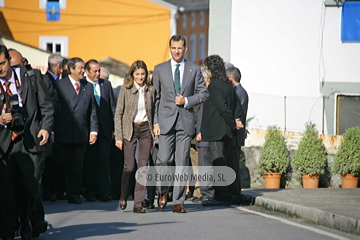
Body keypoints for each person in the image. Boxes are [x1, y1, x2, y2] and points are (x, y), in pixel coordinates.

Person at [0, 45, 54, 240]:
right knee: (6, 190)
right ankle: (8, 230)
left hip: (30, 140)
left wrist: (45, 127)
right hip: (4, 143)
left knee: (29, 187)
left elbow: (46, 106)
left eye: (2, 63)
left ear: (9, 61)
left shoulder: (29, 76)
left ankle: (27, 224)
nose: (0, 68)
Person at [152, 35, 209, 213]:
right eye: (173, 48)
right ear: (170, 48)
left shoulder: (193, 69)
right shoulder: (160, 69)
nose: (176, 51)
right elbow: (156, 99)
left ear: (185, 49)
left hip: (185, 121)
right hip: (165, 121)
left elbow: (204, 94)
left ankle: (177, 202)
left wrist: (186, 100)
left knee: (182, 162)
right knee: (163, 160)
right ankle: (162, 191)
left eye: (180, 48)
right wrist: (155, 122)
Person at [50, 57, 98, 204]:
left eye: (83, 68)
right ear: (71, 69)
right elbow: (52, 109)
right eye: (80, 68)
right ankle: (55, 191)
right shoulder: (59, 85)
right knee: (59, 165)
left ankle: (74, 194)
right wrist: (51, 131)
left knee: (77, 166)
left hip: (80, 133)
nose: (83, 71)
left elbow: (92, 110)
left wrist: (93, 131)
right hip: (63, 132)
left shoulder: (87, 86)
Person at [200, 55, 244, 206]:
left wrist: (233, 123)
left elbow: (222, 108)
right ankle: (225, 195)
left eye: (207, 68)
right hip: (225, 131)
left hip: (217, 130)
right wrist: (236, 121)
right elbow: (237, 106)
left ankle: (222, 196)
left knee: (218, 162)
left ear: (213, 69)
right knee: (223, 161)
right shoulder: (227, 85)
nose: (206, 71)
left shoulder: (214, 86)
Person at [115, 60, 155, 213]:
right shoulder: (126, 89)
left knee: (143, 167)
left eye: (143, 74)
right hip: (129, 130)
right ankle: (124, 195)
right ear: (132, 74)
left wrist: (154, 134)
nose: (140, 77)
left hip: (145, 129)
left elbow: (153, 112)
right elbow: (118, 113)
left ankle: (138, 203)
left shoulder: (151, 90)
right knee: (129, 166)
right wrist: (118, 136)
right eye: (137, 74)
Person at [83, 59, 115, 202]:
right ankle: (90, 191)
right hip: (88, 130)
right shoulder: (83, 85)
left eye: (99, 71)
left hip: (105, 130)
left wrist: (115, 129)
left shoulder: (106, 84)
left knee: (104, 161)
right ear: (87, 72)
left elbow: (112, 108)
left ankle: (104, 192)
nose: (97, 74)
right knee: (90, 161)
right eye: (95, 71)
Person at [226, 66, 249, 204]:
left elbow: (238, 114)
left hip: (235, 135)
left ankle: (234, 195)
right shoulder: (241, 91)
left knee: (233, 165)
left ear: (230, 79)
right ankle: (233, 194)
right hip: (237, 134)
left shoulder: (237, 92)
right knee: (232, 164)